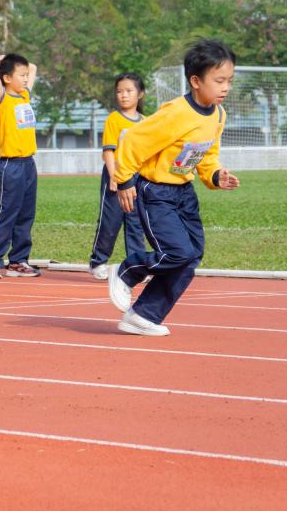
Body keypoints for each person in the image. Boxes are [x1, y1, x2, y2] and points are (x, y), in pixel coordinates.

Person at [107, 40, 241, 336]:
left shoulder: (218, 115)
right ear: (196, 81)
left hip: (183, 193)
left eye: (229, 81)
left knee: (191, 256)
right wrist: (124, 180)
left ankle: (143, 315)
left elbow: (207, 154)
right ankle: (127, 270)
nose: (226, 88)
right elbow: (133, 140)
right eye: (219, 80)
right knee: (177, 252)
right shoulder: (176, 113)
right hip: (156, 192)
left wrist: (215, 176)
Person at [0, 53, 42, 279]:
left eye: (26, 76)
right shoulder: (2, 99)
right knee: (6, 212)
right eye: (21, 75)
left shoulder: (24, 96)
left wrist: (19, 64)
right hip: (11, 165)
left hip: (28, 164)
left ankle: (18, 260)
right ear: (7, 78)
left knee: (26, 214)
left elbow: (32, 67)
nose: (26, 79)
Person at [88, 74, 148, 281]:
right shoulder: (114, 119)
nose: (123, 95)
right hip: (116, 175)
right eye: (120, 91)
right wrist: (114, 176)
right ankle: (98, 261)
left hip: (137, 177)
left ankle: (136, 265)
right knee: (110, 221)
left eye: (129, 91)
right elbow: (108, 151)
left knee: (136, 223)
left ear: (140, 94)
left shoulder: (146, 122)